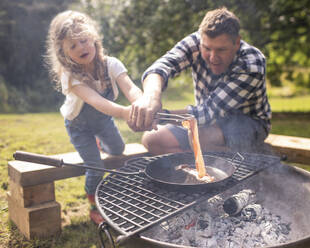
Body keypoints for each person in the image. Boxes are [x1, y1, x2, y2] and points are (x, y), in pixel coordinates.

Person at [45, 10, 143, 224]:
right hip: (79, 127)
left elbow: (131, 89)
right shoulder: (69, 76)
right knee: (95, 165)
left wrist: (141, 104)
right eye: (73, 46)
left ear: (94, 39)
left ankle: (101, 143)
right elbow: (98, 102)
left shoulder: (112, 64)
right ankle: (93, 205)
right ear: (64, 54)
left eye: (84, 40)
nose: (81, 47)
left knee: (118, 150)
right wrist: (126, 112)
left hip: (103, 121)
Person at [130, 7, 271, 155]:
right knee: (152, 139)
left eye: (221, 50)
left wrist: (158, 116)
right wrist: (151, 98)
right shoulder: (196, 42)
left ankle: (246, 161)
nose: (213, 57)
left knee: (201, 139)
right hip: (203, 122)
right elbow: (161, 67)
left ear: (237, 42)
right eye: (207, 48)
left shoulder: (251, 64)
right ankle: (197, 169)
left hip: (248, 122)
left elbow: (207, 113)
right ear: (201, 39)